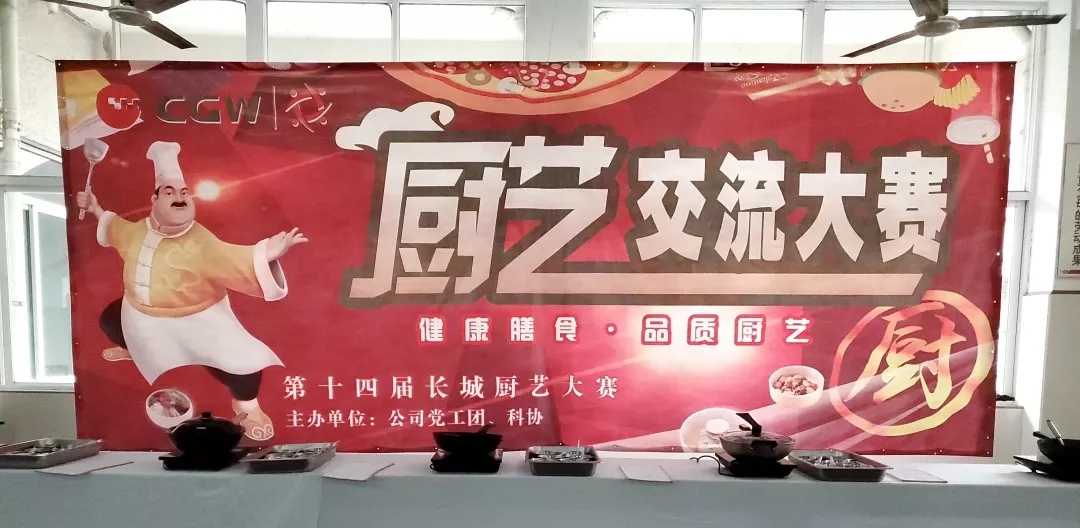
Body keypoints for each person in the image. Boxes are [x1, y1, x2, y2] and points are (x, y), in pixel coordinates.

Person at [76, 141, 307, 441]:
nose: (179, 198)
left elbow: (235, 258)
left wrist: (266, 254)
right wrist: (94, 207)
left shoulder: (201, 241)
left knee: (243, 363)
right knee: (110, 319)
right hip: (142, 315)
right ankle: (133, 348)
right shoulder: (136, 231)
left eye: (184, 193)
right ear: (155, 199)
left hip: (198, 318)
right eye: (170, 192)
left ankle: (247, 406)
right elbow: (114, 227)